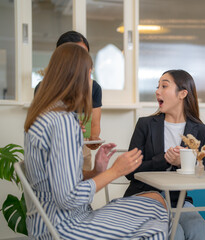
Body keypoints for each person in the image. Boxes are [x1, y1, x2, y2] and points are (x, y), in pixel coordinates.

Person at [24, 43, 170, 239]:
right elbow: (68, 198)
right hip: (65, 227)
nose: (90, 82)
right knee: (154, 224)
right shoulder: (63, 122)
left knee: (154, 199)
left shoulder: (44, 115)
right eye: (89, 75)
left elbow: (57, 180)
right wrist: (115, 171)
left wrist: (95, 171)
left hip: (46, 223)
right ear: (77, 77)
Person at [124, 69, 205, 240]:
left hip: (178, 200)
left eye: (164, 86)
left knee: (201, 233)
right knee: (174, 233)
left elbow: (203, 173)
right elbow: (130, 172)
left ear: (182, 94)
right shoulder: (145, 125)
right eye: (157, 87)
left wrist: (183, 163)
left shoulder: (201, 131)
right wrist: (163, 159)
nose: (157, 91)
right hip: (145, 197)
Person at [34, 30, 102, 170]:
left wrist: (93, 140)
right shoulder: (43, 89)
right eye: (77, 54)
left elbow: (94, 127)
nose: (82, 60)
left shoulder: (93, 88)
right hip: (52, 154)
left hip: (81, 153)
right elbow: (39, 131)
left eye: (85, 55)